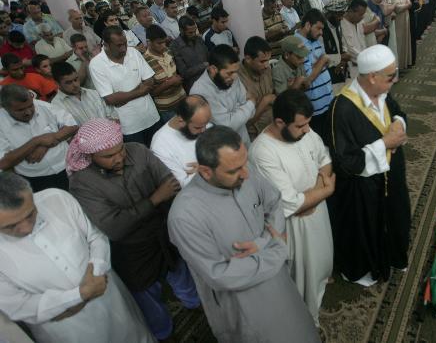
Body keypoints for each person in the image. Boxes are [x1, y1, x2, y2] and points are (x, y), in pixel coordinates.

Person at [168, 125, 320, 343]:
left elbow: (274, 202)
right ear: (205, 171)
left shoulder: (243, 170)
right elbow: (218, 274)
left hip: (279, 281)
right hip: (241, 303)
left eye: (244, 163)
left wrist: (265, 241)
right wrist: (275, 253)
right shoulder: (184, 216)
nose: (246, 174)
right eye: (233, 171)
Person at [67, 119, 200, 341]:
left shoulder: (137, 151)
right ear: (90, 156)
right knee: (148, 297)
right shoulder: (83, 183)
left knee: (180, 272)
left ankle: (194, 304)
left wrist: (154, 201)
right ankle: (164, 333)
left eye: (120, 150)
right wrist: (156, 198)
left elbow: (171, 183)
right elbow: (114, 227)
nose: (119, 158)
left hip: (164, 232)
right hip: (132, 251)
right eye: (109, 156)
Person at [0, 172, 155, 343]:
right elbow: (19, 306)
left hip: (108, 291)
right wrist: (79, 296)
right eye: (11, 226)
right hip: (67, 327)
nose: (26, 227)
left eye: (30, 214)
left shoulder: (57, 198)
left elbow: (95, 236)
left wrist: (97, 271)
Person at [326, 44, 410, 286]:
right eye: (390, 76)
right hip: (363, 190)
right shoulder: (341, 108)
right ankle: (366, 270)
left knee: (397, 218)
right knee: (367, 230)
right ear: (371, 77)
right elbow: (345, 162)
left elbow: (398, 112)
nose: (395, 80)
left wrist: (398, 124)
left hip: (391, 177)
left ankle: (393, 258)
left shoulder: (381, 91)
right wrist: (385, 142)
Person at [249, 89, 334, 326]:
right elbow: (291, 204)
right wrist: (325, 191)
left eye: (308, 124)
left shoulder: (302, 131)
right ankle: (304, 321)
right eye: (301, 126)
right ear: (279, 122)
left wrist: (313, 195)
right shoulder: (262, 151)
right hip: (292, 228)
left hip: (316, 214)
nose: (307, 130)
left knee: (320, 264)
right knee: (300, 277)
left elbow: (324, 159)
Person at [89, 26, 161, 146]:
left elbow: (150, 81)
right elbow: (110, 99)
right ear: (105, 44)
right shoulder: (96, 64)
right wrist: (140, 90)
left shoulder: (133, 52)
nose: (124, 48)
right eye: (119, 45)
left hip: (151, 116)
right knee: (139, 161)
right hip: (129, 126)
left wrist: (124, 96)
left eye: (125, 43)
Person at [0, 84, 77, 192]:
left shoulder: (42, 106)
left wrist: (50, 140)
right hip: (36, 180)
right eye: (20, 110)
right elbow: (4, 163)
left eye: (30, 106)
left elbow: (72, 126)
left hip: (70, 167)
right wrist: (36, 141)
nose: (28, 112)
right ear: (5, 107)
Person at [190, 44, 255, 146]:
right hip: (223, 147)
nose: (235, 77)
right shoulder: (199, 92)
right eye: (230, 73)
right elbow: (228, 126)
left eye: (236, 71)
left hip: (243, 138)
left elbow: (251, 113)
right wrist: (251, 104)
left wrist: (238, 114)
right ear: (213, 69)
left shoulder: (232, 78)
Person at [151, 95, 211, 187]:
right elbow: (182, 184)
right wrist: (206, 169)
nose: (204, 130)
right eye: (198, 127)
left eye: (205, 124)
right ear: (181, 121)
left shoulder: (199, 121)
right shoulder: (160, 146)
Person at [295, 9, 333, 138]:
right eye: (318, 28)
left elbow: (325, 63)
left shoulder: (314, 40)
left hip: (327, 101)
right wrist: (321, 61)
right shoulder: (297, 45)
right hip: (315, 109)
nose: (321, 33)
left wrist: (319, 63)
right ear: (307, 25)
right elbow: (307, 79)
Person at [143, 24, 186, 123]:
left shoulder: (168, 51)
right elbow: (151, 93)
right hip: (167, 110)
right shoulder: (144, 61)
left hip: (182, 100)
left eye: (164, 42)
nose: (163, 46)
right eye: (159, 43)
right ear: (149, 42)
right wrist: (169, 83)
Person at [51, 62, 116, 125]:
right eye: (68, 82)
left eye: (76, 79)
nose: (75, 85)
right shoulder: (56, 105)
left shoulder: (94, 93)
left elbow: (111, 114)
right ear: (57, 83)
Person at [237, 36, 275, 140]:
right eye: (262, 61)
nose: (267, 65)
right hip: (253, 136)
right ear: (248, 59)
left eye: (268, 60)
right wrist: (265, 101)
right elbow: (245, 123)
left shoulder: (266, 69)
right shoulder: (236, 79)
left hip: (272, 129)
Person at [170, 16, 209, 92]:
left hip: (209, 80)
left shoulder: (199, 39)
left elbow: (208, 56)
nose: (194, 34)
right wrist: (203, 66)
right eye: (190, 32)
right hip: (194, 86)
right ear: (181, 30)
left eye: (195, 31)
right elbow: (184, 73)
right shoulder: (175, 46)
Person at [387, 0, 413, 70]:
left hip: (405, 20)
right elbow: (397, 9)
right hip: (398, 22)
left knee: (404, 42)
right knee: (398, 43)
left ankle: (403, 64)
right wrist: (406, 5)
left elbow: (409, 2)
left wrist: (405, 5)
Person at [341, 0, 368, 71]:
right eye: (360, 14)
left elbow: (363, 41)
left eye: (363, 14)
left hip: (363, 64)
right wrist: (364, 60)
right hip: (351, 66)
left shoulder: (360, 22)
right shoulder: (342, 24)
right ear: (350, 11)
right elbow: (350, 49)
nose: (362, 17)